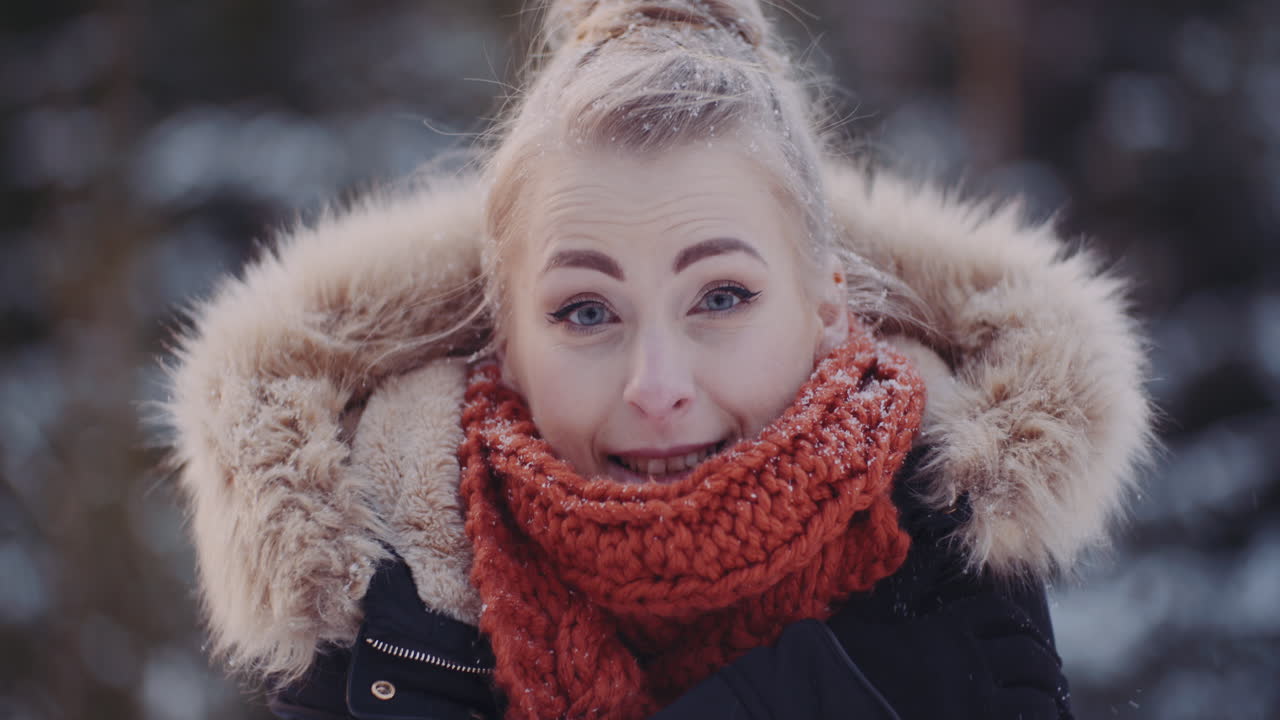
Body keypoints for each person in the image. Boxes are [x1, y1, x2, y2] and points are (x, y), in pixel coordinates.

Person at [161, 1, 1153, 718]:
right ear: (505, 343)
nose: (657, 387)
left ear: (826, 310)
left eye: (720, 297)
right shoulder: (378, 611)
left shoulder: (954, 562)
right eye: (586, 311)